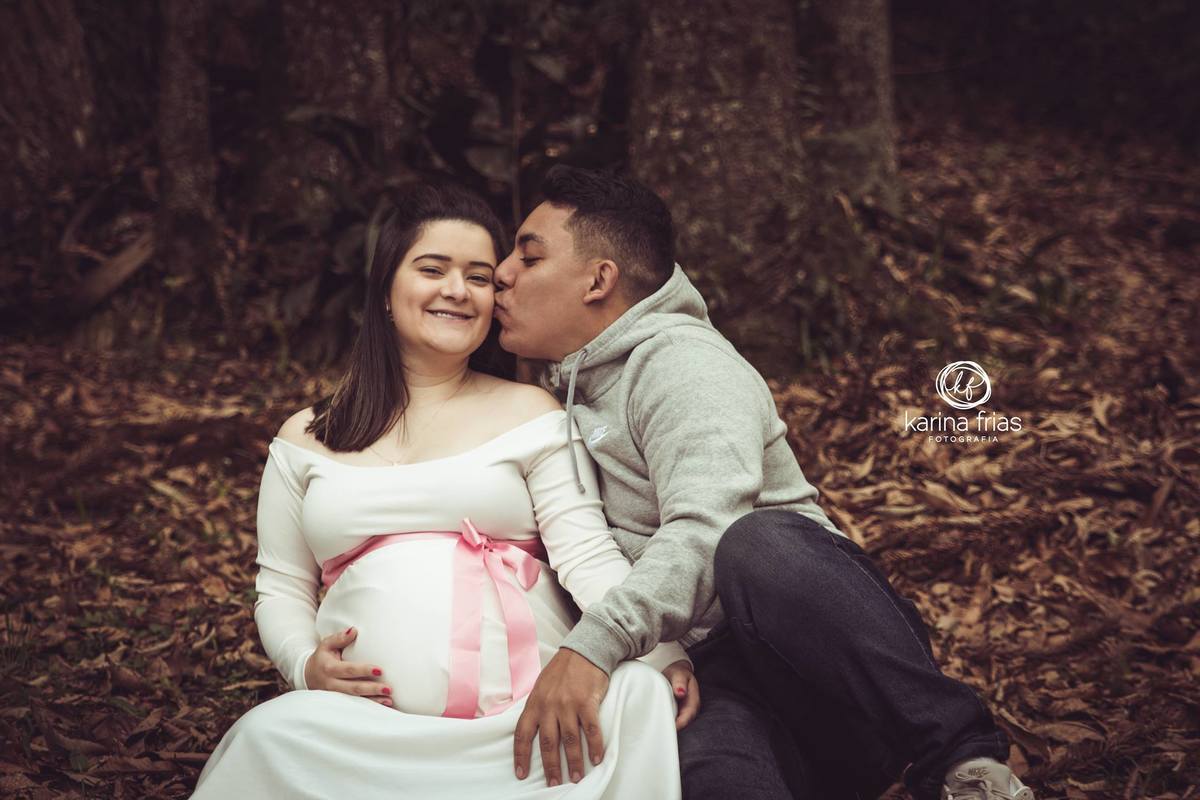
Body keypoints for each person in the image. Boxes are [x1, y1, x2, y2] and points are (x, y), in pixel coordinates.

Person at [492, 165, 1036, 800]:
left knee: (756, 542)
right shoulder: (548, 395)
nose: (502, 272)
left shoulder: (684, 364)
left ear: (598, 280)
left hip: (825, 666)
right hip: (714, 681)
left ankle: (968, 762)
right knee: (710, 779)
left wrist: (594, 648)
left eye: (529, 256)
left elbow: (706, 529)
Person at [189, 182, 692, 800]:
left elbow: (587, 554)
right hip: (365, 731)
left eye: (479, 277)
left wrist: (663, 653)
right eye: (433, 269)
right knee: (263, 736)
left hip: (529, 720)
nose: (458, 289)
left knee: (636, 695)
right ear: (385, 291)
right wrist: (303, 664)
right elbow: (282, 585)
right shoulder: (306, 437)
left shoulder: (531, 413)